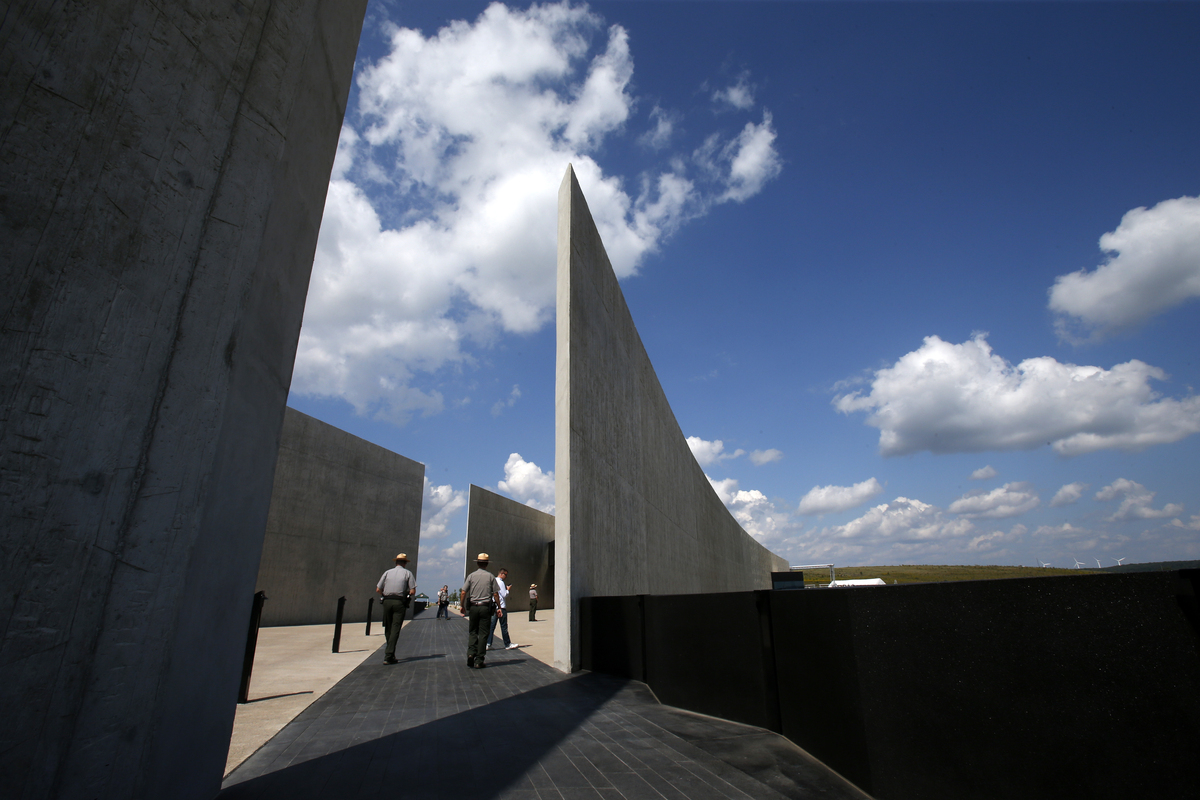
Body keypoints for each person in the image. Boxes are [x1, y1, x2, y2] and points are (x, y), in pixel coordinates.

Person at [375, 553, 416, 665]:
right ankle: (389, 655)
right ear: (405, 563)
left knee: (388, 627)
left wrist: (384, 595)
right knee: (396, 628)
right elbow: (412, 591)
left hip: (387, 601)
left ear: (396, 562)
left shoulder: (387, 572)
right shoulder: (408, 573)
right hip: (399, 602)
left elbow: (378, 589)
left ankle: (390, 652)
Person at [461, 553, 500, 668]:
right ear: (487, 564)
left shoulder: (471, 576)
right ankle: (479, 660)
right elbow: (496, 594)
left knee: (473, 631)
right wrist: (499, 607)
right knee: (483, 633)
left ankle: (470, 653)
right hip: (485, 607)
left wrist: (462, 605)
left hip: (473, 607)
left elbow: (463, 592)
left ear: (477, 563)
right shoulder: (491, 577)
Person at [487, 567, 519, 651]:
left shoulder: (493, 581)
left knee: (491, 626)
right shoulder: (500, 582)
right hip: (501, 606)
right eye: (505, 575)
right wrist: (508, 590)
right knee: (504, 626)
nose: (506, 577)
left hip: (494, 606)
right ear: (501, 574)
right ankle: (507, 644)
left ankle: (488, 643)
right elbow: (504, 594)